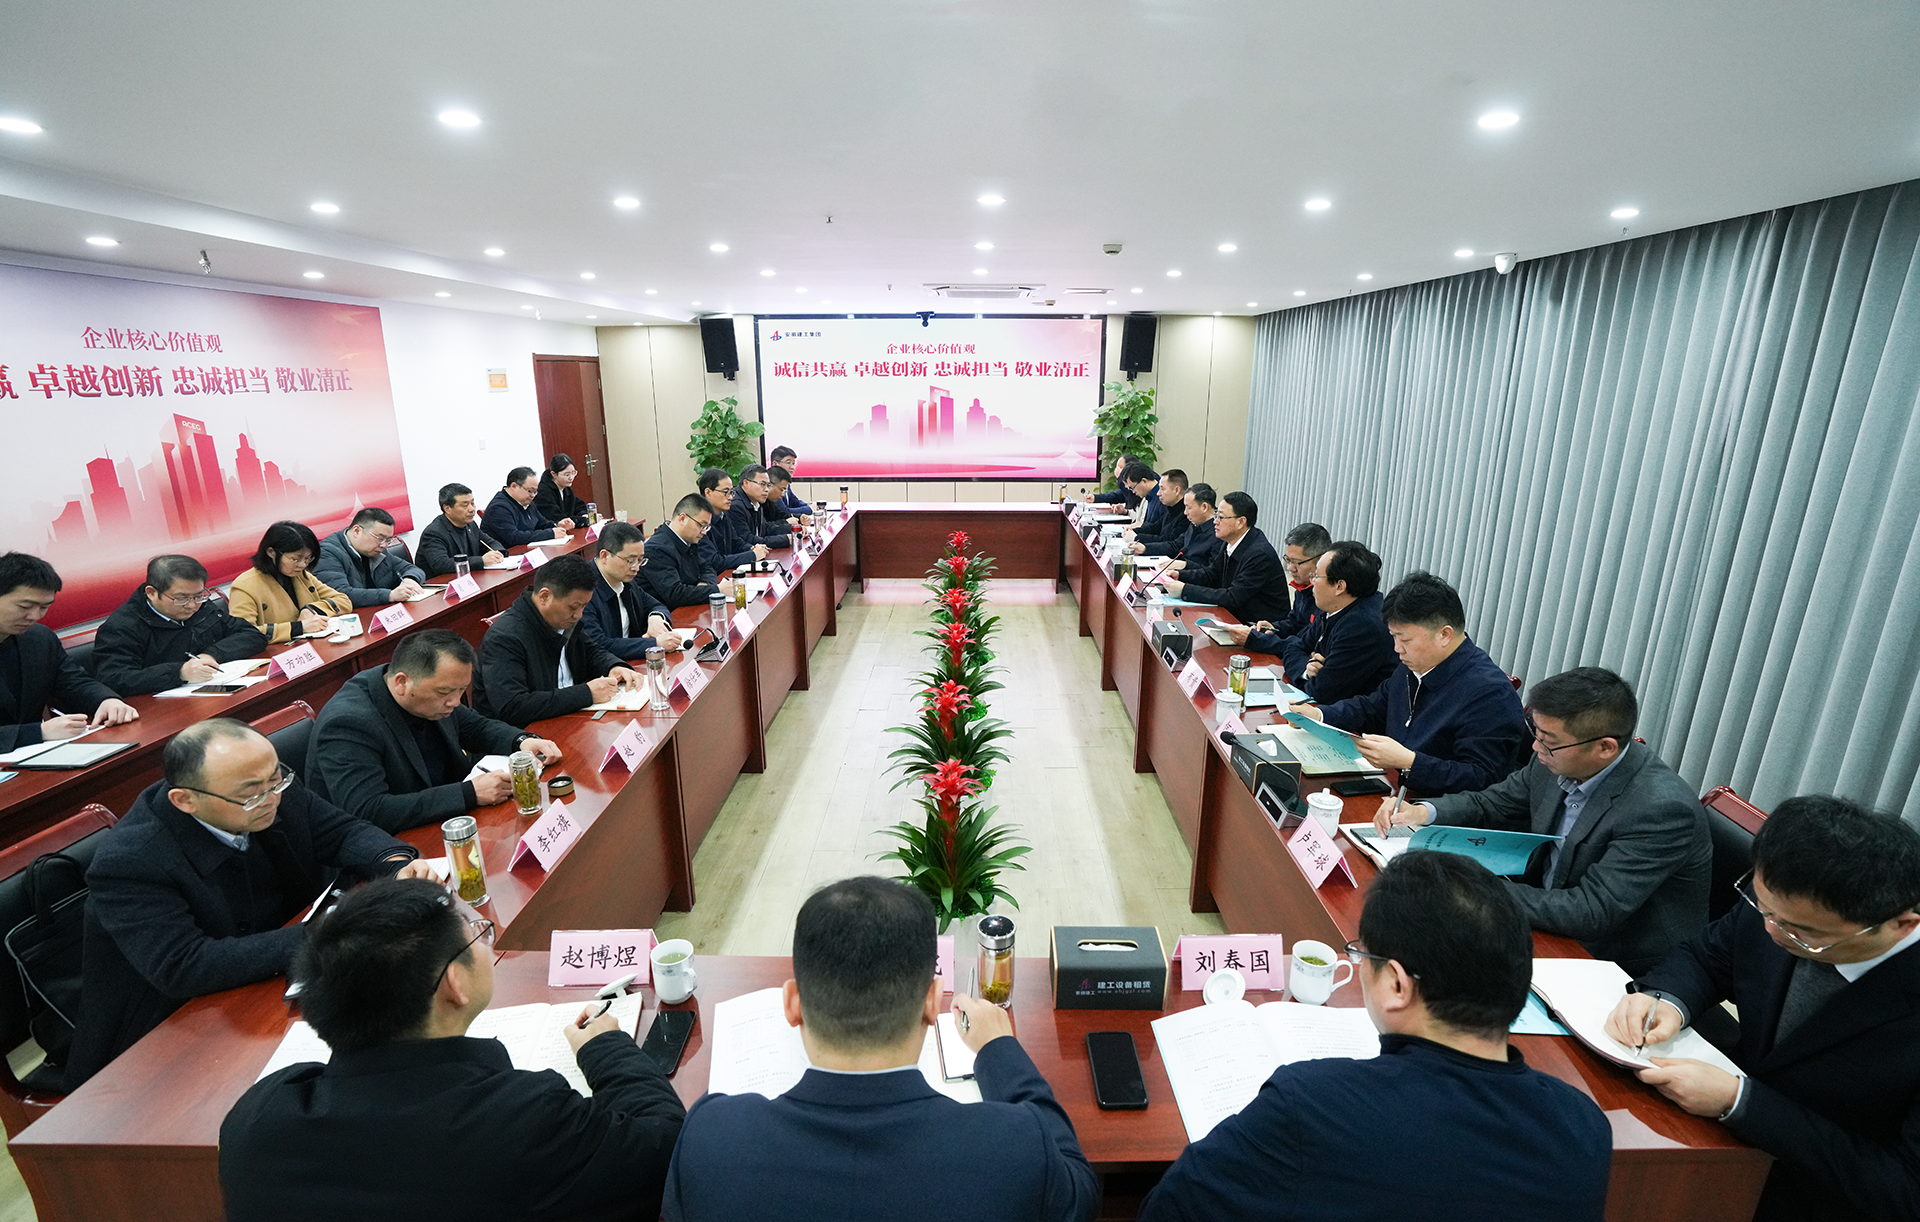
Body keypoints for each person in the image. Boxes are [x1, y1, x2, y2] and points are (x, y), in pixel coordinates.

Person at [1138, 851, 1611, 1222]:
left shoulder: (1310, 1106)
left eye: (1364, 957)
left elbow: (1168, 1210)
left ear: (1398, 986)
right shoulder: (1583, 1127)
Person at [220, 877, 686, 1222]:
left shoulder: (255, 1123)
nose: (484, 941)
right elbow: (666, 1148)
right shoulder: (523, 1119)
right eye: (477, 934)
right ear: (454, 983)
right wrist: (606, 1049)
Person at [663, 876, 1099, 1222]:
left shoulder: (711, 1138)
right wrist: (1000, 1049)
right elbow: (1080, 1191)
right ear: (932, 1003)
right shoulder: (1016, 1147)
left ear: (792, 1004)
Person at [1604, 795, 1920, 1222]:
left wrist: (1740, 1102)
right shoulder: (1782, 905)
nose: (1772, 931)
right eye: (1764, 909)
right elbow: (1708, 957)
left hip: (1815, 1194)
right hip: (1711, 1146)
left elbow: (1905, 1190)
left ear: (1902, 924)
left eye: (1803, 933)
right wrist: (1666, 1001)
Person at [67, 719, 428, 1088]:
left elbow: (341, 832)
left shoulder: (266, 786)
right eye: (253, 794)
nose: (272, 798)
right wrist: (329, 930)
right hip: (168, 1040)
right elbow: (184, 965)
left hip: (265, 983)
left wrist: (394, 862)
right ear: (185, 800)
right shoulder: (130, 862)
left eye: (276, 780)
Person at [1376, 667, 1710, 974]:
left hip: (1613, 964)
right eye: (1535, 734)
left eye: (1549, 742)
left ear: (1606, 748)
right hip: (1543, 920)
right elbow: (1491, 802)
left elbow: (1591, 910)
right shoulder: (1557, 759)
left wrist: (1469, 889)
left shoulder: (1661, 810)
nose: (1536, 748)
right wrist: (1422, 812)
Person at [1290, 572, 1529, 798]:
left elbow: (1483, 779)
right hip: (1394, 788)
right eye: (1394, 637)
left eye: (1404, 639)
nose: (1397, 649)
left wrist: (1410, 762)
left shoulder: (1490, 693)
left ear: (1444, 635)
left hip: (1432, 809)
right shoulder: (1416, 663)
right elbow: (1373, 707)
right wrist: (1319, 715)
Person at [308, 630, 563, 832]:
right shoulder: (348, 723)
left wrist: (521, 740)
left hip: (440, 820)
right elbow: (369, 810)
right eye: (445, 692)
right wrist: (470, 793)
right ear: (402, 683)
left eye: (462, 690)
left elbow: (474, 726)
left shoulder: (429, 689)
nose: (455, 701)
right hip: (391, 848)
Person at [475, 554, 643, 724]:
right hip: (526, 732)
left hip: (568, 716)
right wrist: (586, 694)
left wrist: (613, 666)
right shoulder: (504, 638)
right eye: (573, 607)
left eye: (584, 606)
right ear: (545, 597)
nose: (579, 615)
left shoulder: (562, 618)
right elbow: (513, 706)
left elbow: (590, 650)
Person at [0, 552, 137, 750]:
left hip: (35, 756)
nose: (34, 616)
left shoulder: (38, 638)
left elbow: (73, 682)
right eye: (25, 606)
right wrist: (36, 732)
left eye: (44, 607)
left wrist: (106, 700)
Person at [92, 555, 270, 696]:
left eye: (198, 595)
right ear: (152, 592)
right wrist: (179, 672)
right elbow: (114, 679)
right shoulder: (122, 627)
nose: (192, 605)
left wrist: (211, 654)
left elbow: (252, 634)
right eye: (181, 598)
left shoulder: (201, 606)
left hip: (212, 694)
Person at [1271, 540, 1397, 704]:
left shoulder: (1362, 626)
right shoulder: (1335, 605)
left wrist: (1311, 671)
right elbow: (1294, 647)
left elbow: (1322, 691)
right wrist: (1307, 670)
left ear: (1339, 586)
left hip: (1356, 716)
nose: (1312, 581)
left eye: (1317, 576)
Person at [1160, 491, 1290, 625]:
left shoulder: (1259, 554)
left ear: (1240, 522)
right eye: (1216, 515)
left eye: (1221, 517)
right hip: (1235, 616)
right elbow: (1211, 574)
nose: (1215, 522)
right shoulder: (1230, 541)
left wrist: (1185, 590)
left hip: (1259, 626)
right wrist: (1180, 575)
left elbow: (1233, 597)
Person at [227, 521, 353, 644]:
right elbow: (243, 634)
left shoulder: (300, 575)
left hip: (312, 646)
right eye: (295, 559)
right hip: (276, 653)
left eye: (308, 558)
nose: (303, 565)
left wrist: (311, 609)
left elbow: (343, 601)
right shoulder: (245, 585)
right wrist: (299, 627)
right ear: (271, 552)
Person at [582, 521, 685, 660]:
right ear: (605, 556)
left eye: (640, 560)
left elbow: (656, 605)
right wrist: (655, 644)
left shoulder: (625, 580)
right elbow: (598, 645)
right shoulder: (584, 590)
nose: (636, 568)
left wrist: (655, 617)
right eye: (630, 561)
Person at [314, 508, 428, 607]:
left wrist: (410, 579)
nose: (384, 545)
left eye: (388, 540)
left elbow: (412, 569)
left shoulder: (377, 550)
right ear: (357, 531)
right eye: (380, 538)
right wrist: (389, 596)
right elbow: (340, 595)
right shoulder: (327, 553)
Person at [639, 497, 733, 610]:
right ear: (682, 518)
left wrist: (705, 584)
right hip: (665, 614)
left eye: (707, 527)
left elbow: (708, 567)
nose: (704, 532)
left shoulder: (689, 538)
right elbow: (675, 594)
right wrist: (717, 590)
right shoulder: (656, 549)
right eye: (701, 525)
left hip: (688, 607)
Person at [416, 482, 507, 576]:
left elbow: (491, 543)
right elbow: (441, 564)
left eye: (472, 503)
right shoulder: (434, 533)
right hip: (443, 582)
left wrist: (498, 553)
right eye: (465, 505)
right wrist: (481, 561)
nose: (472, 509)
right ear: (447, 508)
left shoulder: (470, 525)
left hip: (469, 577)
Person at [696, 467, 766, 572]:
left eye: (731, 492)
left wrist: (752, 548)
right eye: (725, 492)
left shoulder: (723, 515)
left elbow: (736, 543)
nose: (730, 497)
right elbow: (715, 561)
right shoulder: (699, 522)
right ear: (708, 492)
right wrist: (752, 555)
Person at [1145, 483, 1222, 576]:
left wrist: (1185, 565)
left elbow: (1212, 573)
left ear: (1204, 507)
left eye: (1189, 507)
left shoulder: (1219, 532)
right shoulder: (1195, 523)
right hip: (1179, 574)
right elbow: (1176, 545)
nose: (1185, 512)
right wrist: (1145, 548)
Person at [485, 467, 567, 548]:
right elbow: (514, 537)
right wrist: (550, 533)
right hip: (508, 553)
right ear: (514, 486)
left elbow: (541, 523)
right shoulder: (498, 508)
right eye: (530, 491)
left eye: (535, 492)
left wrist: (557, 525)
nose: (533, 495)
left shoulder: (526, 501)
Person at [1125, 468, 1187, 552]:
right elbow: (1155, 527)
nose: (1158, 493)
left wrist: (1137, 537)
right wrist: (1133, 531)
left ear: (1176, 490)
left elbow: (1169, 540)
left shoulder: (1186, 514)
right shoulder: (1171, 507)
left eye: (1162, 489)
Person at [731, 464, 791, 550]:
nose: (767, 489)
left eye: (768, 485)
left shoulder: (755, 501)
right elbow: (748, 540)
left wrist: (792, 528)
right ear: (746, 483)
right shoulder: (735, 505)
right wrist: (784, 540)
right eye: (762, 484)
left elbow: (764, 529)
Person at [533, 453, 589, 528]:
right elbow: (557, 517)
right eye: (567, 474)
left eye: (573, 473)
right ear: (554, 474)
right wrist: (582, 520)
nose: (571, 478)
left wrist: (584, 515)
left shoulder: (566, 488)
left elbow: (578, 505)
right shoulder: (543, 492)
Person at [768, 445, 814, 524]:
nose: (792, 467)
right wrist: (810, 509)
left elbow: (795, 502)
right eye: (788, 462)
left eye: (793, 463)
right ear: (775, 464)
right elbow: (783, 511)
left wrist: (808, 506)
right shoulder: (771, 483)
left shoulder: (786, 483)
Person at [764, 466, 805, 532]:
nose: (783, 495)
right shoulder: (758, 501)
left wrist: (799, 518)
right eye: (782, 489)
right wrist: (786, 522)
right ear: (770, 485)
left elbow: (781, 514)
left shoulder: (770, 501)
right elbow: (764, 528)